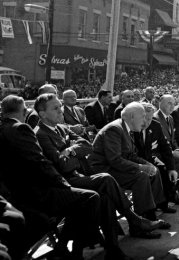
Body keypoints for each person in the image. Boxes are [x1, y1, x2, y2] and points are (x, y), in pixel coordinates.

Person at [34, 93, 163, 252]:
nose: (61, 111)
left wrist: (70, 151)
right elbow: (63, 166)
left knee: (107, 198)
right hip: (66, 182)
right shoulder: (40, 134)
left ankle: (113, 250)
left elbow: (88, 145)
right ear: (42, 114)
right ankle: (135, 220)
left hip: (79, 176)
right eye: (56, 108)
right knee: (108, 179)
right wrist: (75, 152)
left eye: (60, 107)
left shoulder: (60, 128)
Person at [0, 95, 102, 260]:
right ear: (24, 111)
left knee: (79, 200)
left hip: (15, 193)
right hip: (35, 194)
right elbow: (40, 163)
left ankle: (62, 248)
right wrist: (63, 184)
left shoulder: (3, 129)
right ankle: (75, 251)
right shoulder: (21, 129)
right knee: (90, 198)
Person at [88, 102, 167, 223]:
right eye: (142, 117)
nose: (144, 122)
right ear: (132, 117)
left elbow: (130, 155)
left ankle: (151, 215)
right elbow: (114, 160)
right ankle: (139, 223)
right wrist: (141, 167)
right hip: (104, 170)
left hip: (114, 168)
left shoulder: (125, 128)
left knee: (153, 171)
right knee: (141, 177)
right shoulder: (114, 129)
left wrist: (147, 164)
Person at [133, 103, 178, 216]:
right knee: (153, 172)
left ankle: (162, 203)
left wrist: (171, 168)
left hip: (148, 157)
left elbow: (165, 146)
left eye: (149, 118)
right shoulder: (132, 127)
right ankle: (149, 211)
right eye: (144, 118)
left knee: (164, 168)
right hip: (135, 161)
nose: (146, 122)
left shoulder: (155, 125)